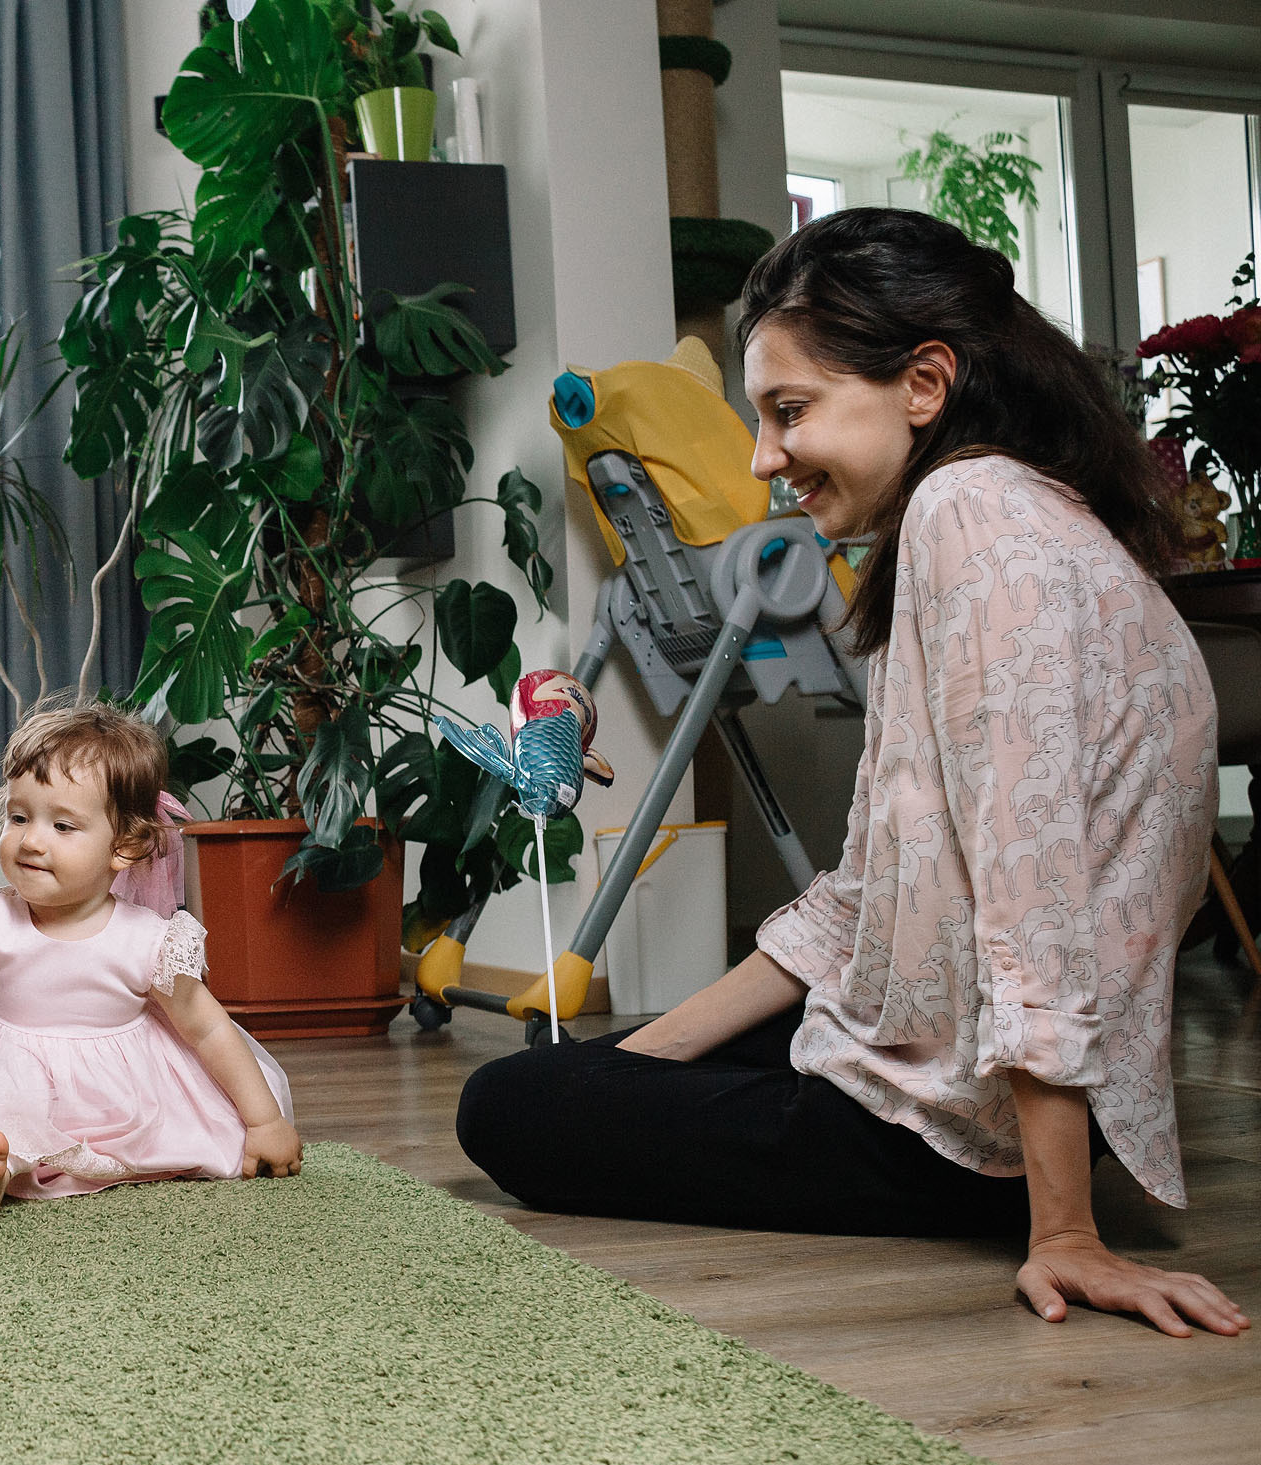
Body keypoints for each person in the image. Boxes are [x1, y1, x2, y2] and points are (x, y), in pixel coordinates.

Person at [456, 209, 1248, 1340]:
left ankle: (1033, 1190)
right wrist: (628, 1074)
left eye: (789, 412)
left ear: (925, 382)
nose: (764, 458)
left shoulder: (969, 515)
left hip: (957, 1135)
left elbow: (1037, 899)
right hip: (934, 1053)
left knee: (507, 1106)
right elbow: (859, 898)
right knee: (579, 1075)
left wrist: (1065, 1228)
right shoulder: (1020, 513)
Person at [0, 702, 303, 1220]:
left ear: (124, 845)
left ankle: (44, 1158)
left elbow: (209, 1031)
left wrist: (264, 1122)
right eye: (19, 817)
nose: (31, 841)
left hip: (116, 1092)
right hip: (7, 1069)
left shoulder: (148, 941)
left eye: (63, 826)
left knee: (201, 1129)